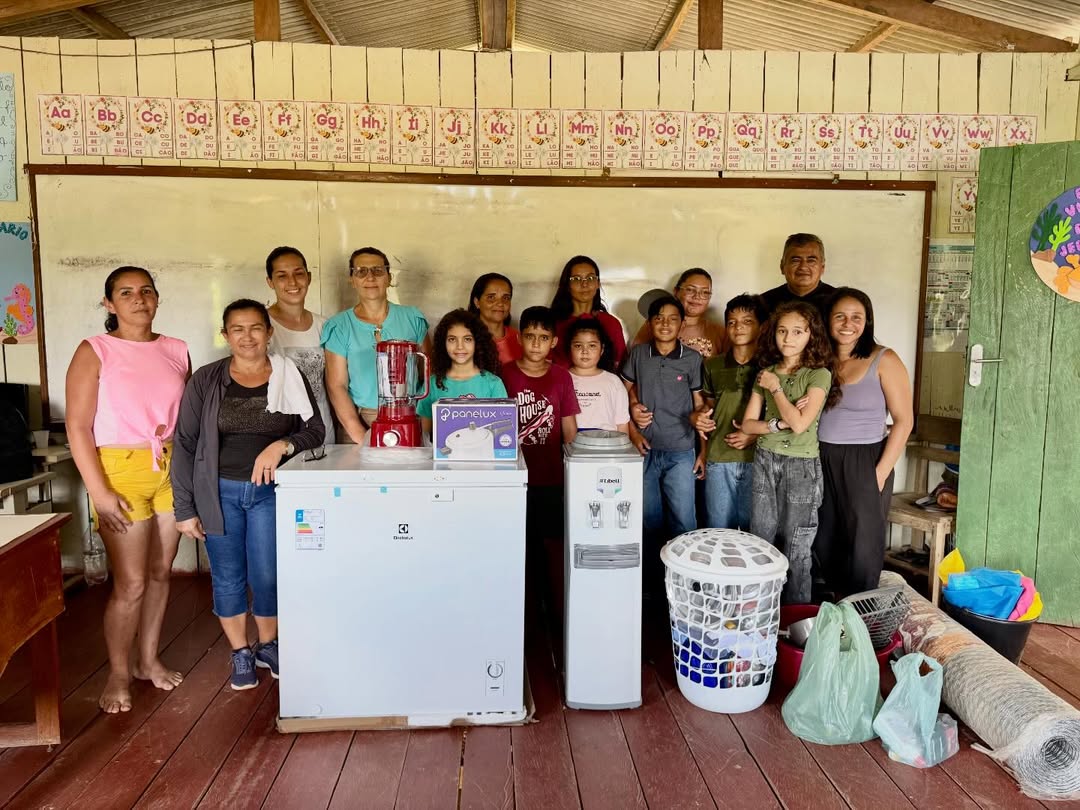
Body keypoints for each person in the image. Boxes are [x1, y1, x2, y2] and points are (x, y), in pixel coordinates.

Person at [172, 300, 324, 690]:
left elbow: (315, 430)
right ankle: (240, 652)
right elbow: (186, 443)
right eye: (237, 329)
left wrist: (282, 445)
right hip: (218, 493)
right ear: (226, 336)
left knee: (268, 574)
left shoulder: (289, 374)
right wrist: (185, 507)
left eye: (256, 327)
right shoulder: (206, 380)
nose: (247, 336)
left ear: (269, 332)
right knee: (228, 577)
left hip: (271, 494)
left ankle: (268, 645)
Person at [66, 267, 190, 714]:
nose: (139, 299)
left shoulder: (176, 349)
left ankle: (147, 661)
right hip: (118, 470)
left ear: (157, 298)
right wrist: (99, 493)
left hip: (170, 467)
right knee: (131, 582)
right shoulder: (95, 350)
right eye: (126, 293)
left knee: (161, 572)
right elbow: (78, 426)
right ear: (109, 304)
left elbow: (186, 421)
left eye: (146, 291)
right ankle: (118, 672)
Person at [816, 288, 913, 597]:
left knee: (862, 542)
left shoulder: (884, 359)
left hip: (866, 459)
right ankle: (832, 613)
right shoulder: (819, 360)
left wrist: (880, 472)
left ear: (867, 321)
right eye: (840, 316)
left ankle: (861, 618)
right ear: (828, 321)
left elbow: (904, 421)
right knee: (825, 536)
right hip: (821, 456)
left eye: (856, 317)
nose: (848, 324)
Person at [739, 300, 838, 604]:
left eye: (797, 331)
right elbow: (747, 426)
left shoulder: (818, 374)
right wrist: (780, 420)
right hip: (766, 459)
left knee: (797, 547)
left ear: (812, 335)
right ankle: (760, 613)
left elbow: (800, 425)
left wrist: (777, 390)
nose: (788, 338)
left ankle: (796, 620)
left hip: (801, 466)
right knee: (761, 540)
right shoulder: (765, 372)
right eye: (782, 331)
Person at [623, 295, 705, 593]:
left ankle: (687, 584)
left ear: (682, 324)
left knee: (683, 519)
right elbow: (626, 387)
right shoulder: (638, 354)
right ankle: (652, 586)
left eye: (673, 318)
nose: (666, 323)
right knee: (648, 518)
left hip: (681, 451)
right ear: (650, 322)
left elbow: (700, 406)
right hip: (644, 450)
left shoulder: (692, 359)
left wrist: (703, 452)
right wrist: (633, 421)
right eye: (659, 318)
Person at [500, 306, 580, 594]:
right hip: (514, 478)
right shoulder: (504, 375)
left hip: (552, 477)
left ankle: (553, 601)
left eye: (543, 337)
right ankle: (521, 599)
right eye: (530, 336)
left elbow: (569, 428)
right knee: (517, 541)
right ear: (519, 338)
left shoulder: (561, 377)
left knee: (552, 543)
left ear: (554, 342)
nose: (536, 343)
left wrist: (574, 476)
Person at [323, 247, 429, 444]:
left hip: (409, 416)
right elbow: (337, 386)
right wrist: (361, 437)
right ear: (351, 279)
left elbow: (427, 376)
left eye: (378, 271)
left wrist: (422, 426)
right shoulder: (339, 326)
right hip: (360, 419)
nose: (370, 277)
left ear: (389, 278)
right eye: (361, 271)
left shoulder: (413, 318)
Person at [691, 294, 768, 531]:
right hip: (718, 457)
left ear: (761, 326)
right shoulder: (712, 365)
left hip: (758, 460)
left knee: (752, 531)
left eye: (747, 321)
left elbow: (780, 417)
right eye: (732, 322)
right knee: (717, 529)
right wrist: (703, 447)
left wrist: (754, 434)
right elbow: (709, 409)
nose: (738, 327)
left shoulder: (770, 366)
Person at [265, 246, 334, 436]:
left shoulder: (324, 325)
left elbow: (334, 383)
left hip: (322, 432)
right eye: (282, 276)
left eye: (298, 273)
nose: (292, 282)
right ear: (270, 282)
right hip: (280, 434)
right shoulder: (260, 327)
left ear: (309, 277)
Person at [418, 308, 508, 436]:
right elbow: (423, 435)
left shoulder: (493, 384)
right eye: (452, 339)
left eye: (467, 339)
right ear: (443, 343)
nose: (460, 346)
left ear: (477, 342)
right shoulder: (432, 384)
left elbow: (501, 433)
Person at [549, 255, 626, 369]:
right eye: (576, 279)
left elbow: (621, 365)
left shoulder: (610, 323)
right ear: (567, 285)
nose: (584, 284)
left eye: (590, 278)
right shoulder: (553, 323)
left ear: (598, 283)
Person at [632, 268, 727, 359]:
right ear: (676, 291)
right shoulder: (658, 324)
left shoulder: (720, 333)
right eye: (690, 290)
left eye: (705, 292)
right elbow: (636, 358)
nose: (697, 296)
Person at [566, 317, 629, 433]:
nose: (585, 351)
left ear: (602, 349)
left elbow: (622, 423)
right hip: (572, 445)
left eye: (592, 345)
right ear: (570, 348)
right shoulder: (562, 379)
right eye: (578, 345)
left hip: (607, 445)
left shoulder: (613, 381)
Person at [761, 233, 836, 318]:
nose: (803, 267)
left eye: (811, 261)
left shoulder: (839, 302)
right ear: (782, 267)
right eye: (795, 260)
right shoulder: (763, 304)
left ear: (822, 267)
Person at [468, 273, 521, 365]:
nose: (500, 303)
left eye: (506, 298)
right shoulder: (465, 338)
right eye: (491, 297)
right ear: (477, 302)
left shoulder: (519, 339)